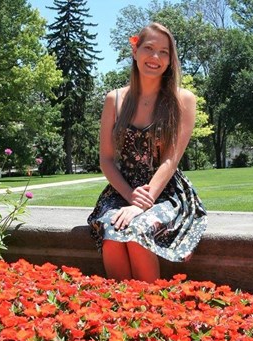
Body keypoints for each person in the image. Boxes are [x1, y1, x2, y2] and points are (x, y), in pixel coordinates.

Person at [87, 22, 207, 283]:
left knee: (138, 230)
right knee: (112, 230)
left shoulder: (183, 99)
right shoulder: (115, 100)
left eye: (164, 52)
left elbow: (171, 159)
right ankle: (121, 310)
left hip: (165, 191)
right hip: (122, 189)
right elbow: (106, 160)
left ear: (170, 59)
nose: (155, 57)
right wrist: (130, 196)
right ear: (135, 51)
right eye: (149, 48)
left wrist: (141, 203)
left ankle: (150, 311)